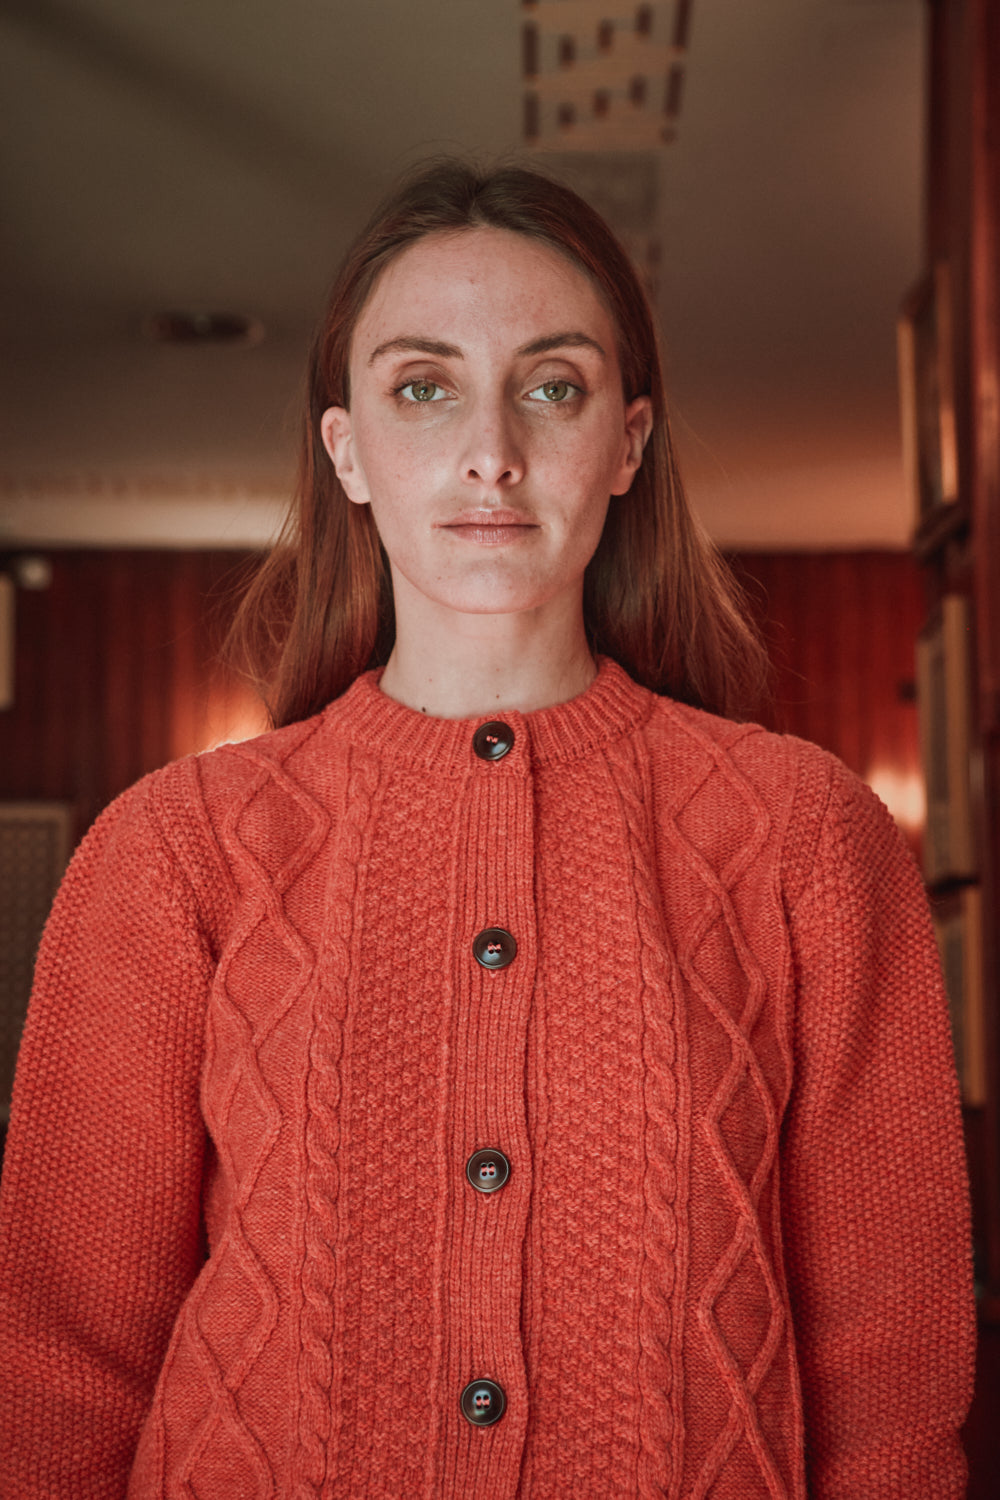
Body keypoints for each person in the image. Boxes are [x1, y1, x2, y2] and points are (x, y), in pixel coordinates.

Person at [0, 160, 974, 1498]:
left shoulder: (808, 839)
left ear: (629, 441)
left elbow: (890, 1382)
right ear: (345, 447)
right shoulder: (175, 854)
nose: (492, 449)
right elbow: (60, 1366)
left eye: (553, 384)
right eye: (423, 384)